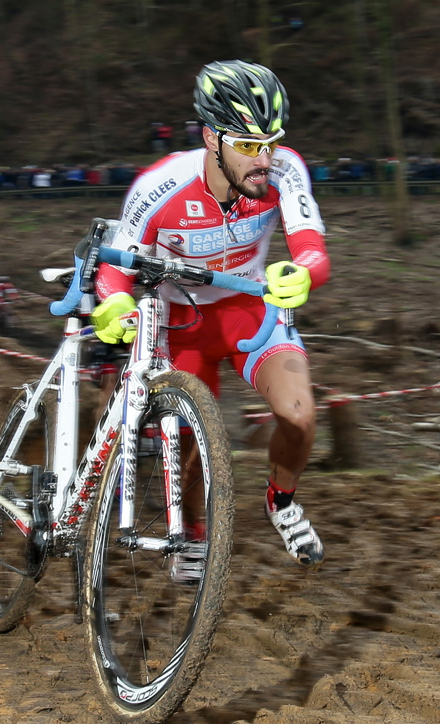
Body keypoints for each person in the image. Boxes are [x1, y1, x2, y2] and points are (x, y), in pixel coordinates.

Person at [90, 59, 328, 582]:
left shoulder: (284, 169)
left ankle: (281, 500)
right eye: (246, 144)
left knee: (301, 417)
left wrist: (304, 273)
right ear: (210, 138)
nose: (261, 157)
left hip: (250, 309)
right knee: (191, 440)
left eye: (268, 142)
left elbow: (312, 249)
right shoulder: (161, 185)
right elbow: (114, 264)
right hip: (181, 321)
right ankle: (193, 534)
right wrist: (114, 303)